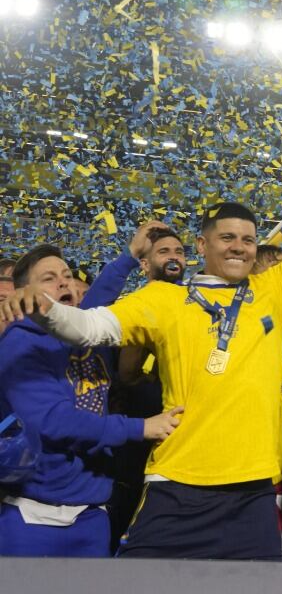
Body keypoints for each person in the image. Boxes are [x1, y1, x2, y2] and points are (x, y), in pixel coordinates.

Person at [5, 119, 282, 559]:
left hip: (252, 493)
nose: (240, 247)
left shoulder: (275, 291)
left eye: (248, 240)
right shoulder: (163, 299)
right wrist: (46, 309)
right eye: (227, 237)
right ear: (201, 245)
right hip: (175, 487)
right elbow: (89, 327)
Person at [0, 226, 182, 557]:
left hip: (91, 514)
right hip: (32, 517)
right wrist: (138, 427)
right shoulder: (19, 343)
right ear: (25, 293)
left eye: (67, 275)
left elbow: (100, 298)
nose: (64, 282)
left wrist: (130, 256)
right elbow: (54, 421)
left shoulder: (81, 330)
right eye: (49, 278)